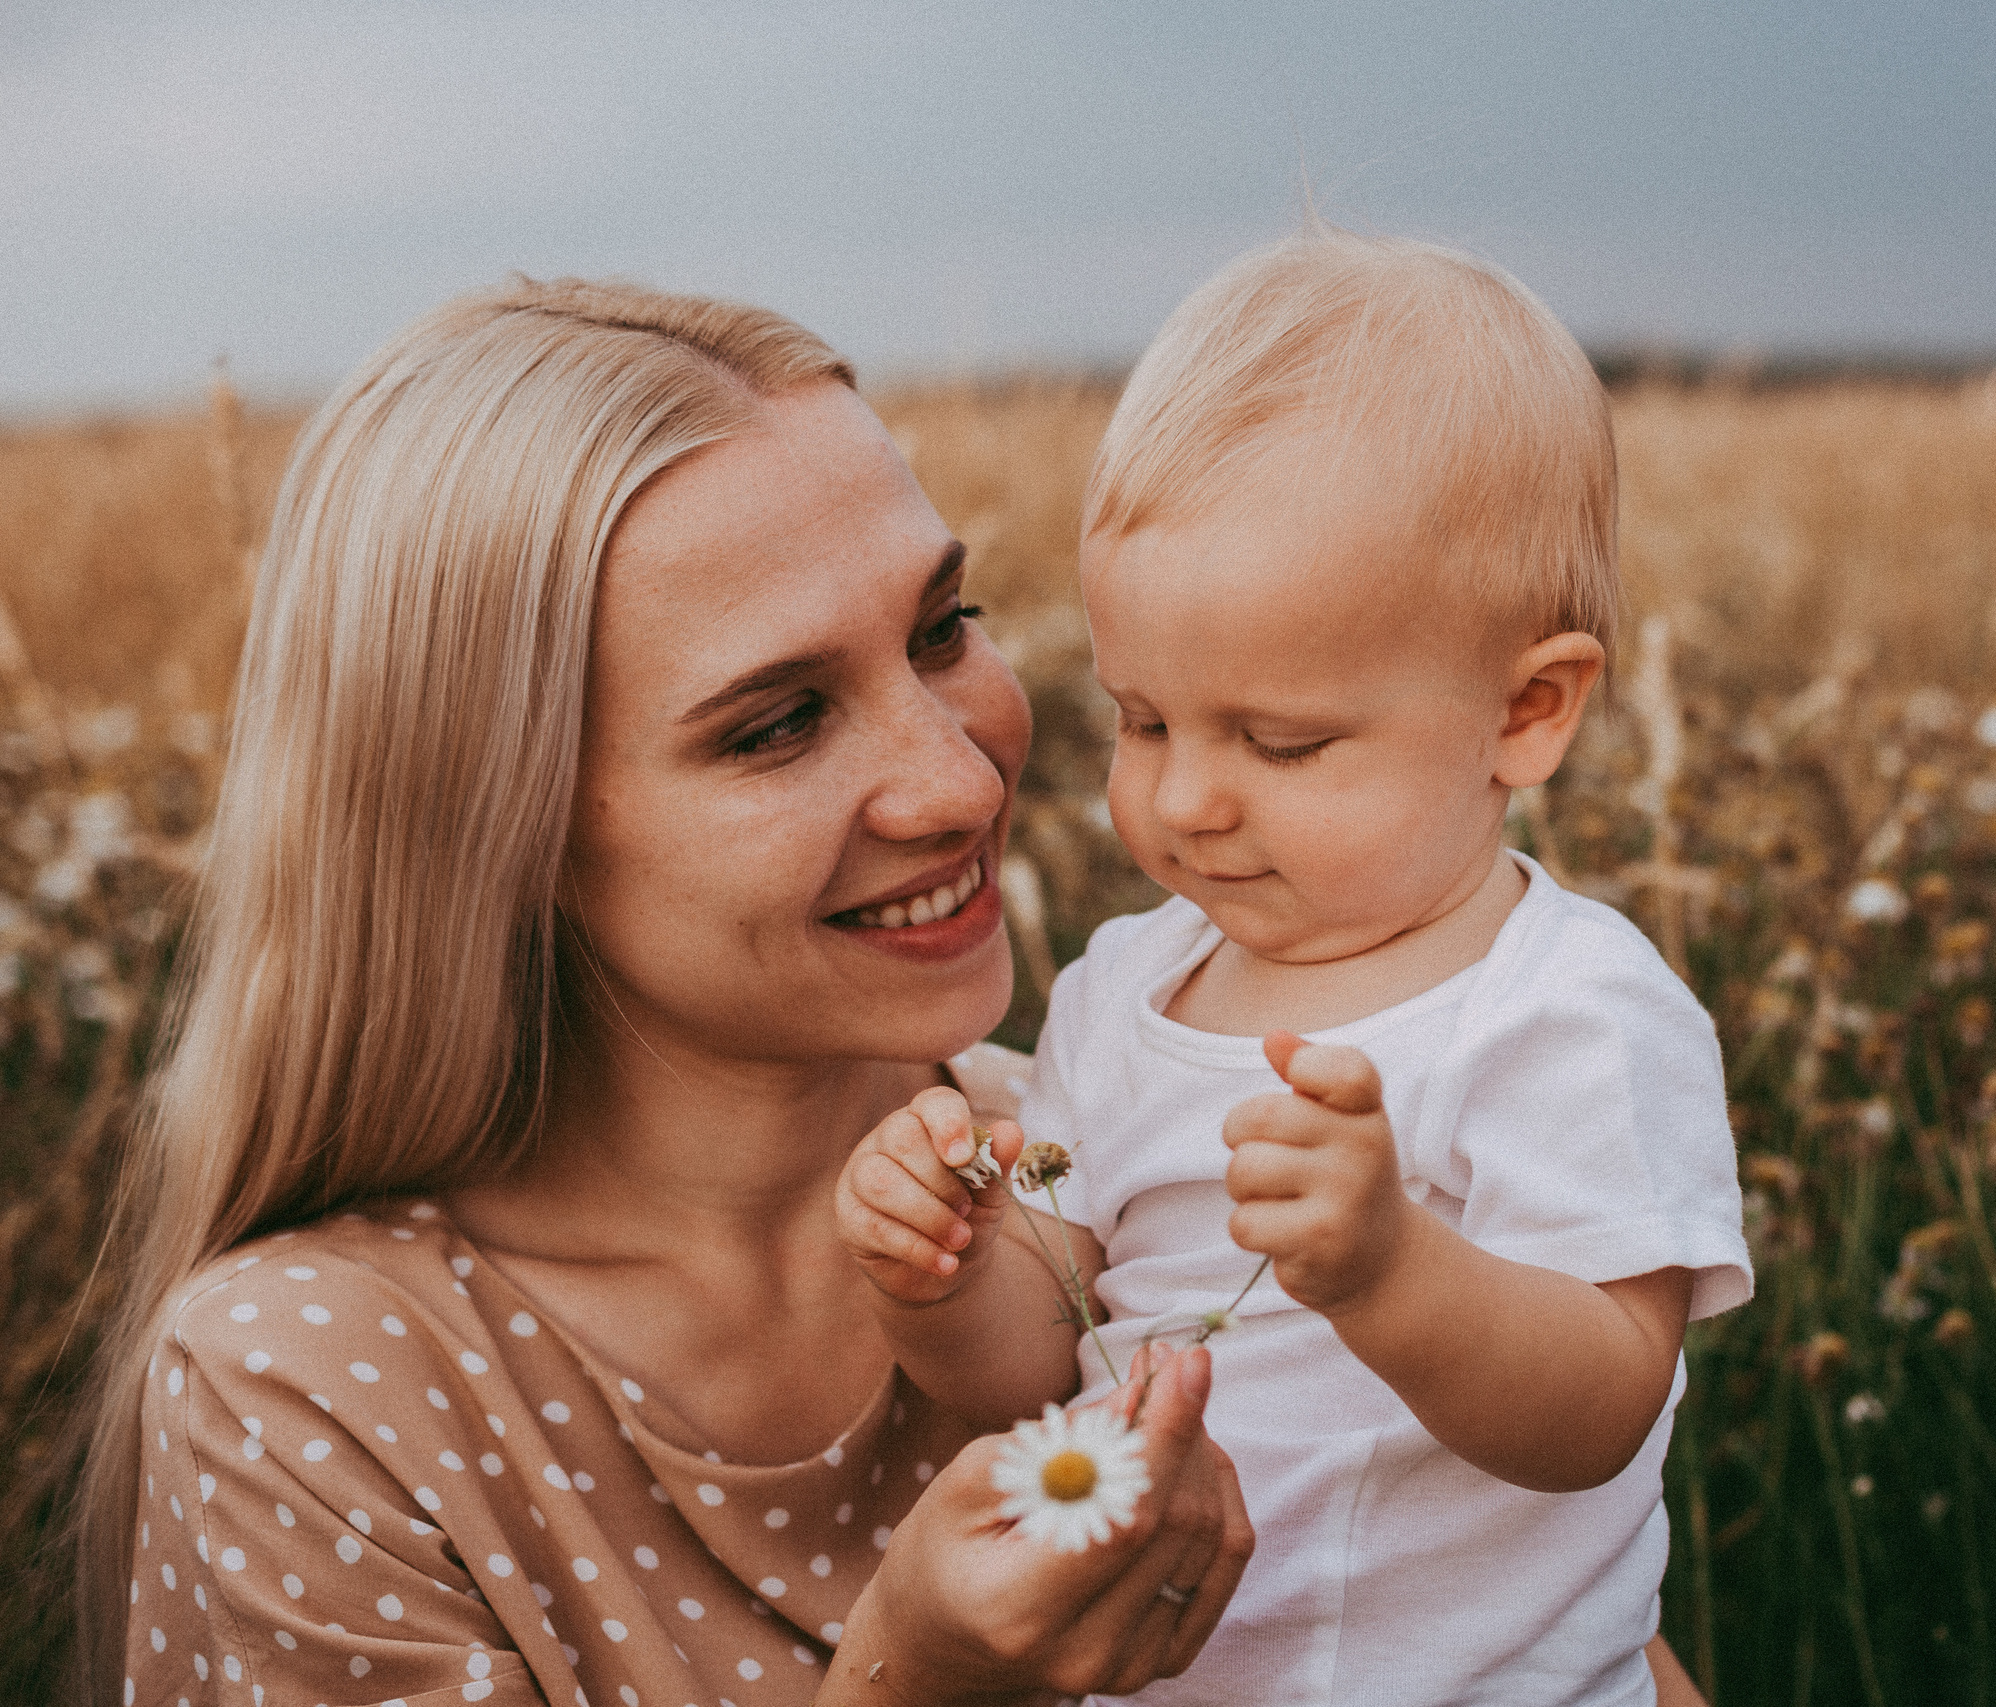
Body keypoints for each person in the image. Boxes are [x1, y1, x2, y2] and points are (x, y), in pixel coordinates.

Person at [70, 277, 1252, 1707]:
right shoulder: (320, 1391)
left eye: (944, 627)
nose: (960, 776)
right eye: (779, 724)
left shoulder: (1112, 1161)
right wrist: (918, 1683)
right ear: (503, 824)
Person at [839, 226, 1750, 1705]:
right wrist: (938, 1281)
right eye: (1144, 720)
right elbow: (1044, 1347)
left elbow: (1601, 1402)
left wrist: (1394, 1270)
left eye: (1280, 742)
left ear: (1527, 713)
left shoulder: (1571, 1009)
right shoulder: (1122, 992)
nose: (1189, 799)